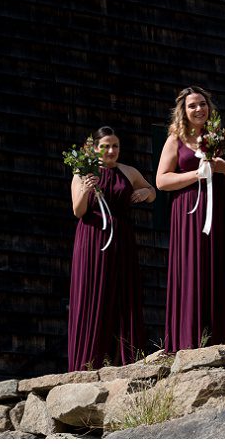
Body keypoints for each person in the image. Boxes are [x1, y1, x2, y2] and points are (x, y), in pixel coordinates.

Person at [156, 86, 225, 350]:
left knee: (224, 265)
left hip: (220, 209)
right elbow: (161, 181)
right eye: (192, 106)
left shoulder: (220, 135)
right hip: (189, 211)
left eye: (202, 104)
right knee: (193, 267)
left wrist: (223, 167)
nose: (199, 109)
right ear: (183, 110)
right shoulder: (175, 140)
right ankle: (192, 336)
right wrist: (196, 175)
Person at [68, 126, 154, 371]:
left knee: (123, 294)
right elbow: (78, 211)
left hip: (123, 239)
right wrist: (86, 188)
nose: (111, 150)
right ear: (95, 148)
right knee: (93, 293)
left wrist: (146, 192)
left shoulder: (128, 171)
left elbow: (152, 193)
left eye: (115, 145)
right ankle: (88, 363)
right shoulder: (83, 171)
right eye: (105, 146)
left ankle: (124, 360)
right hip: (92, 238)